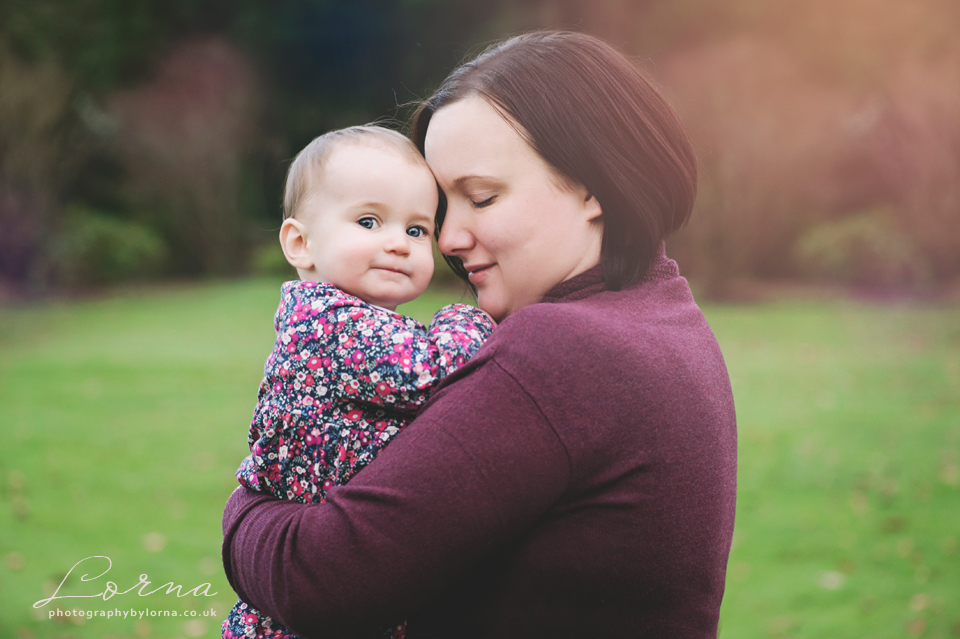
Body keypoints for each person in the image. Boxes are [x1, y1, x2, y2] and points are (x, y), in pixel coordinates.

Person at [222, 31, 737, 639]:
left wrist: (247, 507)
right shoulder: (666, 319)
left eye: (483, 197)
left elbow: (320, 580)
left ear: (592, 187)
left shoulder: (564, 350)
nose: (445, 240)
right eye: (442, 209)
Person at [221, 126, 495, 639]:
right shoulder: (328, 322)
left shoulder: (364, 322)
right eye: (369, 221)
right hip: (304, 605)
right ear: (300, 243)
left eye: (417, 231)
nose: (398, 243)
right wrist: (470, 317)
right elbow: (431, 371)